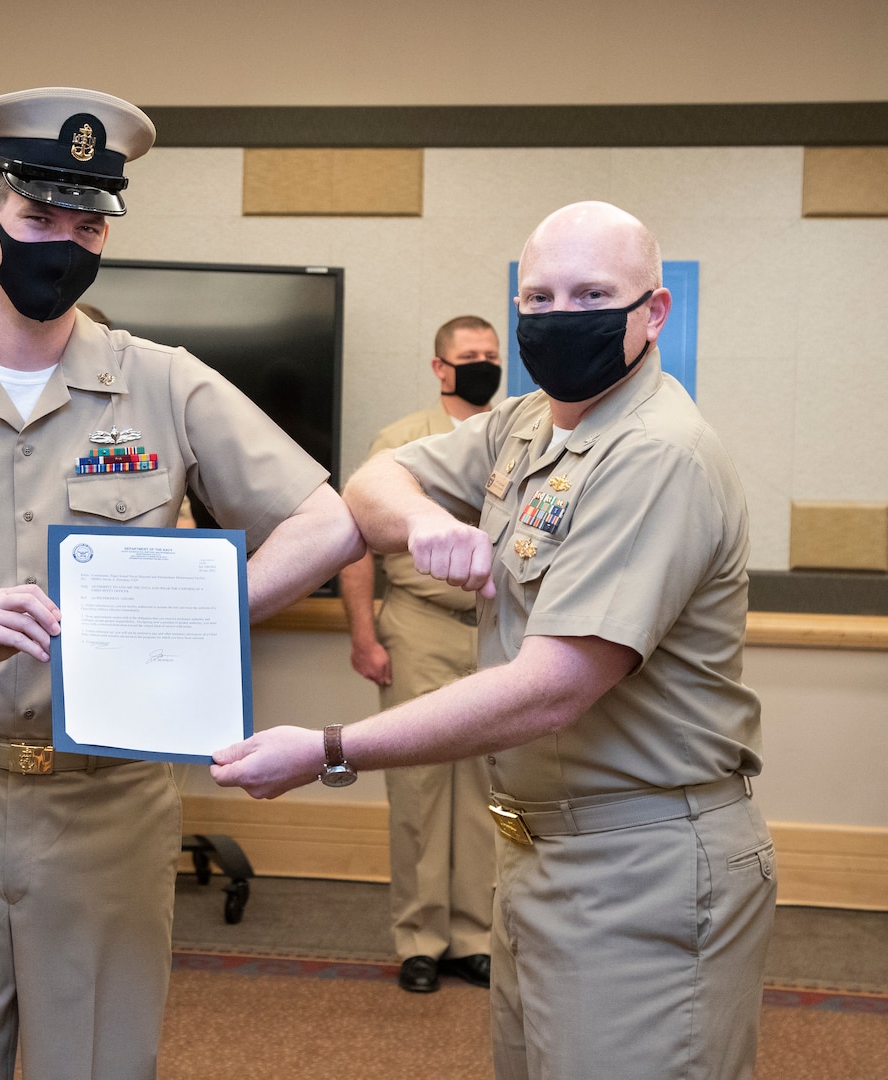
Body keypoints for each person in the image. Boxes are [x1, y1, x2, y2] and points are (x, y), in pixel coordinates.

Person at [0, 87, 363, 1080]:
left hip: (109, 802)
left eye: (85, 224)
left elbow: (329, 520)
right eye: (37, 217)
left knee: (93, 1063)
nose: (62, 244)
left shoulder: (166, 382)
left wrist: (192, 614)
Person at [213, 201, 777, 1080]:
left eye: (593, 293)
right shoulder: (529, 423)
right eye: (540, 298)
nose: (560, 317)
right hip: (544, 853)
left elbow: (553, 685)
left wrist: (329, 749)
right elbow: (373, 485)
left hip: (642, 865)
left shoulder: (656, 453)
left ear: (653, 313)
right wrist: (427, 522)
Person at [338, 316, 501, 994]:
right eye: (469, 357)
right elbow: (356, 544)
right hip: (419, 625)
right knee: (420, 790)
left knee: (490, 792)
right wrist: (363, 636)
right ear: (439, 367)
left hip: (496, 632)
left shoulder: (521, 442)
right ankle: (421, 939)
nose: (483, 365)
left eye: (492, 356)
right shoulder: (402, 444)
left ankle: (476, 936)